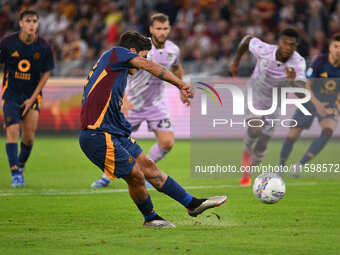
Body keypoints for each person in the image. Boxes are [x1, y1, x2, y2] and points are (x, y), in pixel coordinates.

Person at [79, 31, 226, 228]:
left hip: (113, 132)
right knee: (136, 175)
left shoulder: (117, 70)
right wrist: (181, 83)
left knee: (150, 169)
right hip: (97, 134)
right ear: (132, 52)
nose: (144, 62)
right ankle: (151, 218)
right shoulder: (117, 53)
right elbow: (150, 67)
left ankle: (193, 204)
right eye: (143, 55)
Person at [91, 13, 189, 188]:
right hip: (133, 103)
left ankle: (147, 171)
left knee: (167, 143)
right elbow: (121, 75)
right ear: (151, 29)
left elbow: (176, 67)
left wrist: (180, 89)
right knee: (116, 140)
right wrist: (125, 99)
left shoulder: (174, 50)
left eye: (165, 28)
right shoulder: (141, 49)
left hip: (156, 105)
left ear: (169, 29)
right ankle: (107, 175)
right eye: (158, 29)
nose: (162, 32)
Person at [228, 28, 306, 186]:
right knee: (254, 129)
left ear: (296, 46)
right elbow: (247, 39)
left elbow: (302, 94)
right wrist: (236, 61)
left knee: (263, 140)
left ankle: (251, 166)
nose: (287, 47)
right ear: (278, 43)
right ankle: (246, 174)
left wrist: (292, 81)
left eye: (292, 45)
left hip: (275, 102)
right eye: (285, 43)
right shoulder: (264, 50)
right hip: (255, 95)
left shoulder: (298, 63)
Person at [0, 10, 54, 188]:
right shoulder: (7, 42)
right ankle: (15, 173)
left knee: (29, 138)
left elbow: (47, 72)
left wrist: (32, 98)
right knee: (13, 132)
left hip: (33, 96)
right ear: (21, 23)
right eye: (28, 21)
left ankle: (21, 166)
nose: (32, 24)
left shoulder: (44, 46)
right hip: (11, 95)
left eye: (35, 21)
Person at [279, 33, 340, 177]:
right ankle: (280, 167)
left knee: (328, 131)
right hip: (309, 100)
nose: (338, 50)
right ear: (330, 47)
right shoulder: (320, 61)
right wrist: (317, 104)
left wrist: (336, 103)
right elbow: (307, 85)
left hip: (329, 102)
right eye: (336, 46)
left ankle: (299, 165)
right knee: (292, 136)